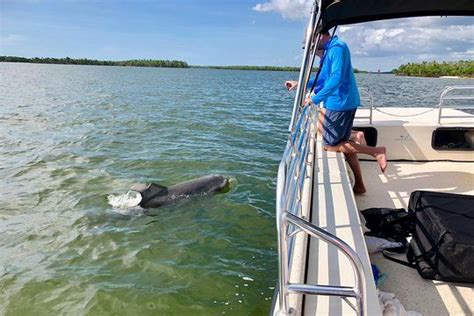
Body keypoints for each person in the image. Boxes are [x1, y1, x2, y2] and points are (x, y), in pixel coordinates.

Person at [285, 32, 387, 194]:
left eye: (311, 48)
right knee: (344, 143)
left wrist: (315, 99)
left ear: (319, 37)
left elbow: (336, 79)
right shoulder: (331, 50)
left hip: (340, 103)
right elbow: (324, 78)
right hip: (343, 101)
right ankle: (360, 184)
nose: (312, 52)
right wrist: (301, 84)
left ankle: (376, 151)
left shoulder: (336, 48)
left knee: (329, 146)